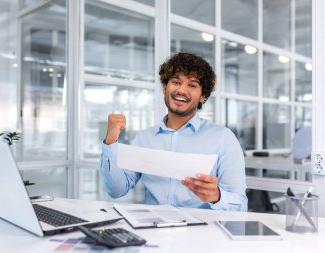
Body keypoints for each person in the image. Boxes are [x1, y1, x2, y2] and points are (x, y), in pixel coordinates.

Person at [100, 52, 247, 211]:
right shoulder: (144, 138)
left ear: (203, 96)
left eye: (192, 85)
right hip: (151, 228)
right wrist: (111, 141)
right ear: (165, 88)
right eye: (176, 82)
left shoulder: (223, 139)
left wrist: (216, 196)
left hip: (202, 231)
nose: (182, 90)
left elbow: (240, 204)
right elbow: (117, 190)